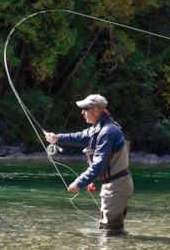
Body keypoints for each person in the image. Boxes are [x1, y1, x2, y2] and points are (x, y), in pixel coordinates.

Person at [44, 94, 133, 236]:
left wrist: (79, 182)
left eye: (85, 109)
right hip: (114, 184)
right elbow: (79, 137)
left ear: (96, 111)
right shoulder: (99, 128)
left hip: (117, 186)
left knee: (110, 232)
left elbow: (99, 164)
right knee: (112, 231)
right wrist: (57, 138)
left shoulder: (108, 131)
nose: (82, 112)